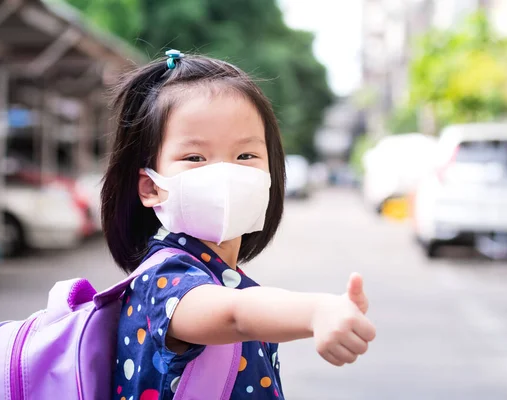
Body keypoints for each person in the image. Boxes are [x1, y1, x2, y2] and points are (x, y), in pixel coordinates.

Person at [102, 50, 376, 400]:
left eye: (245, 156)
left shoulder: (222, 275)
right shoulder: (162, 281)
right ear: (151, 187)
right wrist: (317, 310)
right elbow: (237, 314)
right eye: (195, 158)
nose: (225, 173)